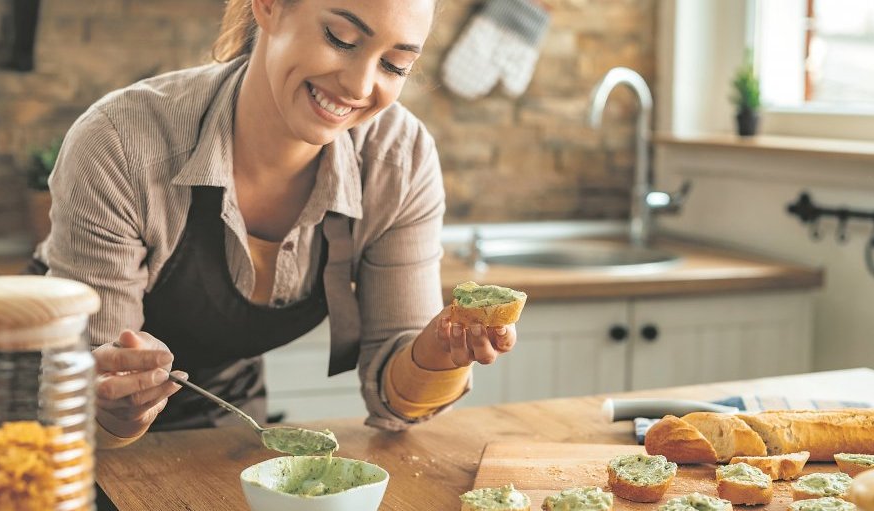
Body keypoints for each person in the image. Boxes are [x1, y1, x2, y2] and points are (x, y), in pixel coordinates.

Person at [33, 0, 519, 447]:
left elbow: (399, 402)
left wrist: (439, 352)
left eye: (395, 65)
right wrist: (115, 398)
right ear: (268, 6)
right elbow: (89, 391)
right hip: (56, 421)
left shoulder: (398, 160)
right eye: (341, 38)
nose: (359, 86)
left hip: (223, 412)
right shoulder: (122, 142)